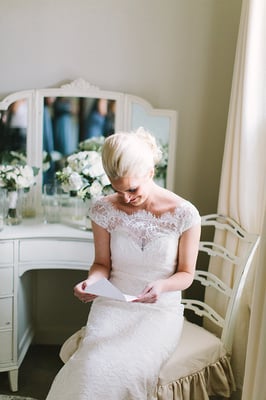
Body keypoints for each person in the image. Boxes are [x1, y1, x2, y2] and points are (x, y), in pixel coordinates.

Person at [46, 128, 201, 400]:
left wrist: (163, 285)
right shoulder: (103, 209)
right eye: (118, 190)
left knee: (128, 371)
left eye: (132, 189)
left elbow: (187, 274)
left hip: (158, 311)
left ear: (150, 173)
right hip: (112, 306)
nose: (126, 198)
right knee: (91, 367)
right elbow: (101, 263)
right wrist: (93, 282)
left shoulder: (185, 214)